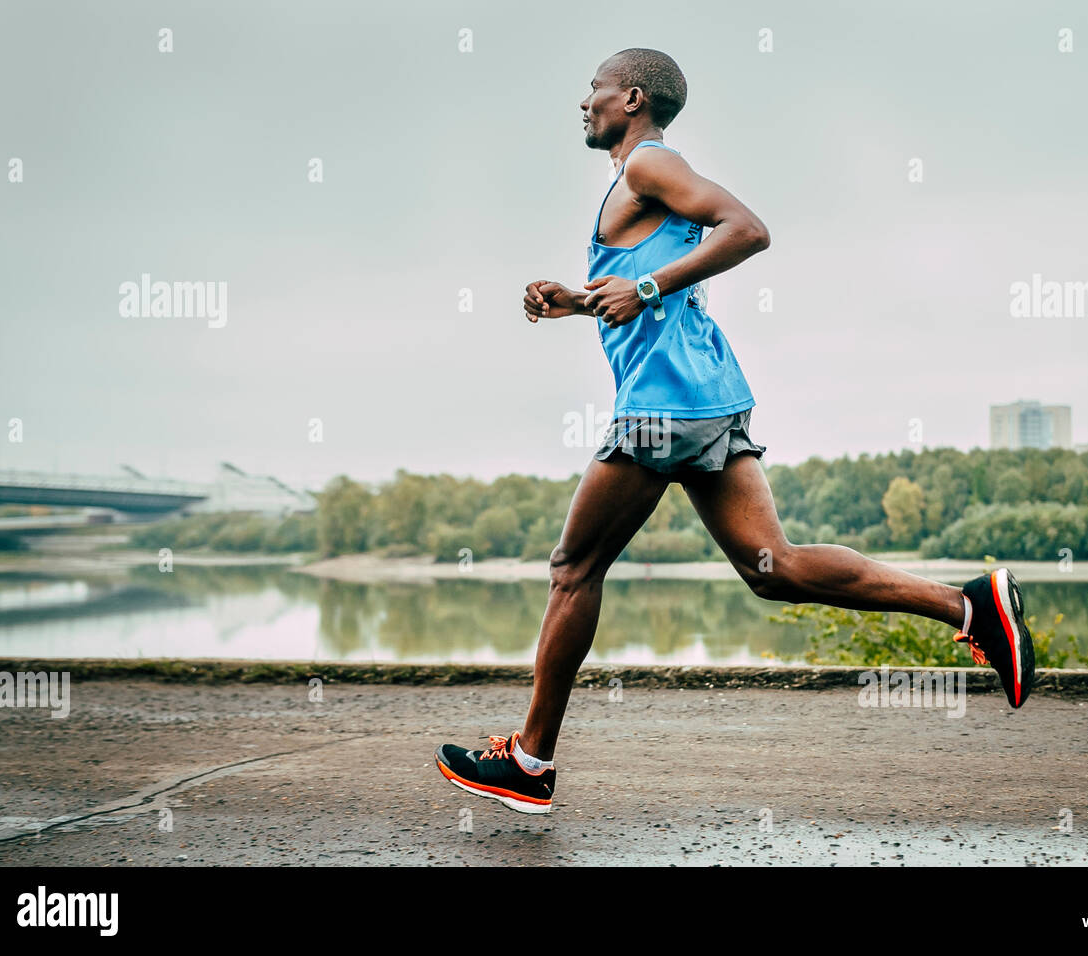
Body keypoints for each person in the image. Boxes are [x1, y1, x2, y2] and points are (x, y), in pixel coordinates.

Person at [435, 48, 1034, 815]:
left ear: (633, 97)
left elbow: (747, 230)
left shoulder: (650, 165)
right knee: (772, 567)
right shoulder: (640, 184)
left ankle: (529, 763)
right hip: (706, 397)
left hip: (663, 406)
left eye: (594, 90)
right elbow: (648, 287)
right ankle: (970, 606)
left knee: (573, 569)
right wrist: (579, 302)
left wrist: (645, 285)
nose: (583, 102)